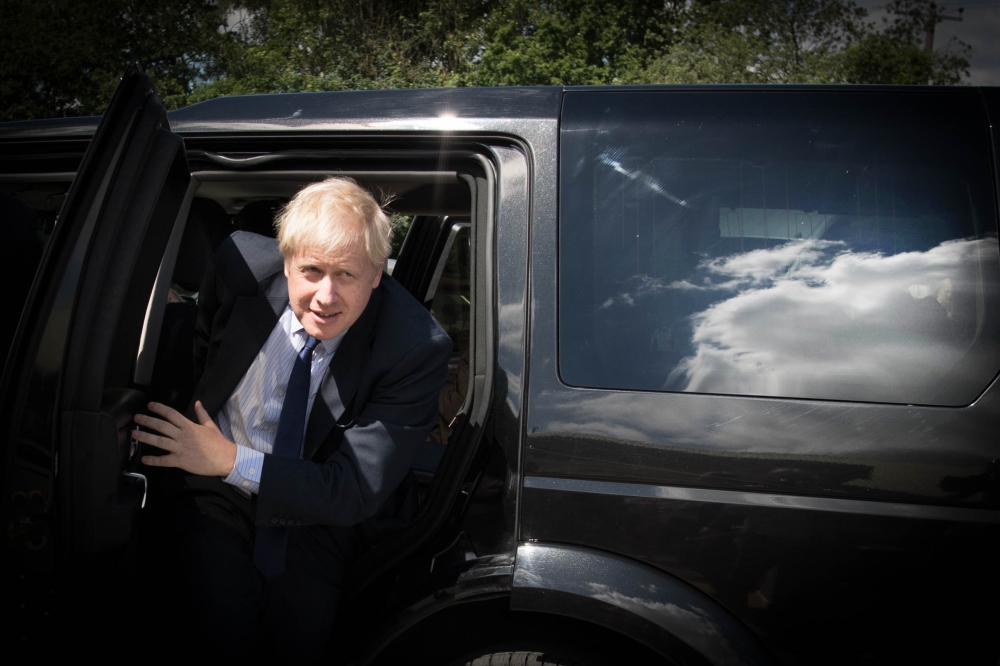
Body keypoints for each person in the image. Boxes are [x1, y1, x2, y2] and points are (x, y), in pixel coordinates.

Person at [132, 177, 451, 657]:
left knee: (300, 641)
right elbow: (206, 345)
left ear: (377, 273)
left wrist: (229, 458)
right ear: (286, 264)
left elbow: (351, 489)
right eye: (312, 270)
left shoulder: (413, 347)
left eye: (346, 274)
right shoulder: (239, 267)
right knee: (220, 628)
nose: (325, 296)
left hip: (319, 512)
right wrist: (220, 460)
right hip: (217, 492)